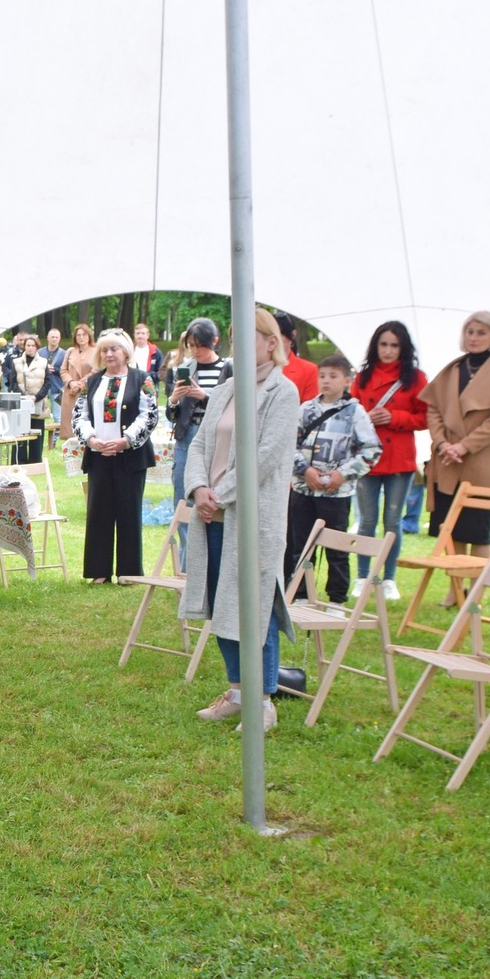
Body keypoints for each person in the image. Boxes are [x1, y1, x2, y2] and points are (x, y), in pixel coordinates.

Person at [185, 310, 302, 728]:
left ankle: (262, 700)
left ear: (272, 342)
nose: (239, 344)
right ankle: (237, 691)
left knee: (253, 605)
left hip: (251, 518)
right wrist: (199, 489)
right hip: (212, 513)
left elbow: (265, 458)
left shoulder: (282, 393)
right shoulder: (227, 388)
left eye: (248, 336)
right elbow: (199, 443)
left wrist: (220, 496)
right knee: (223, 605)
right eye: (235, 337)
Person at [420, 311, 490, 562]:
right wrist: (442, 442)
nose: (473, 337)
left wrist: (464, 446)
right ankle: (456, 588)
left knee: (477, 530)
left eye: (481, 332)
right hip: (447, 460)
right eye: (470, 332)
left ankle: (475, 592)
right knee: (450, 528)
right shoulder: (453, 368)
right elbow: (434, 408)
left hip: (482, 461)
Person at [286, 353, 380, 603]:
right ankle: (301, 593)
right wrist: (305, 469)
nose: (326, 381)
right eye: (322, 376)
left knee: (337, 547)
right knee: (302, 544)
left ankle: (337, 597)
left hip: (335, 494)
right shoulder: (305, 409)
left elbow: (371, 451)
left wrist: (343, 474)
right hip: (303, 490)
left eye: (333, 376)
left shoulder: (355, 412)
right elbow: (288, 444)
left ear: (347, 380)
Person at [349, 320, 428, 601]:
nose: (388, 350)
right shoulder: (363, 376)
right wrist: (366, 418)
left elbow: (426, 417)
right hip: (368, 457)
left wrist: (395, 418)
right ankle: (361, 576)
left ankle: (389, 578)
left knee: (393, 520)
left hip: (399, 457)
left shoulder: (416, 378)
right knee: (366, 521)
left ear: (403, 347)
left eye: (394, 345)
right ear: (375, 345)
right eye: (383, 344)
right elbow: (350, 412)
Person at [71, 329, 157, 581]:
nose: (109, 354)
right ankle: (99, 571)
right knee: (99, 512)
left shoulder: (143, 379)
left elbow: (149, 415)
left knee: (129, 512)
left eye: (114, 349)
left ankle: (128, 573)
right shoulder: (93, 381)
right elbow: (79, 415)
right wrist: (92, 440)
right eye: (105, 350)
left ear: (126, 351)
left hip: (130, 457)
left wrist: (125, 441)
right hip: (99, 456)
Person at [164, 318, 230, 508]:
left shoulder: (227, 368)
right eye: (191, 345)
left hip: (217, 437)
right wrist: (174, 399)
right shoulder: (185, 370)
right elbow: (172, 416)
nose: (196, 351)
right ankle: (185, 537)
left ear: (214, 342)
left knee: (212, 489)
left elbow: (232, 409)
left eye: (201, 346)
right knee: (183, 491)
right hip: (187, 434)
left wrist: (204, 396)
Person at [6, 332, 50, 463]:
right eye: (28, 345)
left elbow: (47, 382)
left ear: (37, 347)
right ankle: (19, 460)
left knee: (36, 433)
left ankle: (35, 461)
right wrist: (25, 397)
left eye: (32, 345)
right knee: (20, 432)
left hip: (38, 402)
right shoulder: (16, 362)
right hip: (21, 403)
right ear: (24, 346)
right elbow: (12, 382)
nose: (30, 347)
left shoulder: (43, 362)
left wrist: (36, 397)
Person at [57, 324, 98, 438]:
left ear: (89, 336)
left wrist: (80, 384)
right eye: (78, 335)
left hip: (86, 391)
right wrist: (70, 382)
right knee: (70, 428)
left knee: (85, 425)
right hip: (70, 392)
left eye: (84, 334)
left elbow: (94, 371)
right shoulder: (70, 351)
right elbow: (63, 370)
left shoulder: (95, 351)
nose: (81, 337)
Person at [275, 312, 318, 401]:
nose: (274, 340)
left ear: (293, 335)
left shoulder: (309, 369)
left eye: (279, 335)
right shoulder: (254, 367)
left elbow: (310, 409)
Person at [40, 327, 66, 423]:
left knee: (58, 416)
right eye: (52, 337)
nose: (54, 339)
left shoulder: (64, 354)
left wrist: (54, 370)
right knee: (40, 414)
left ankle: (55, 438)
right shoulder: (40, 352)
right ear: (48, 338)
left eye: (56, 337)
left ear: (59, 338)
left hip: (57, 388)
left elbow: (66, 372)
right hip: (42, 389)